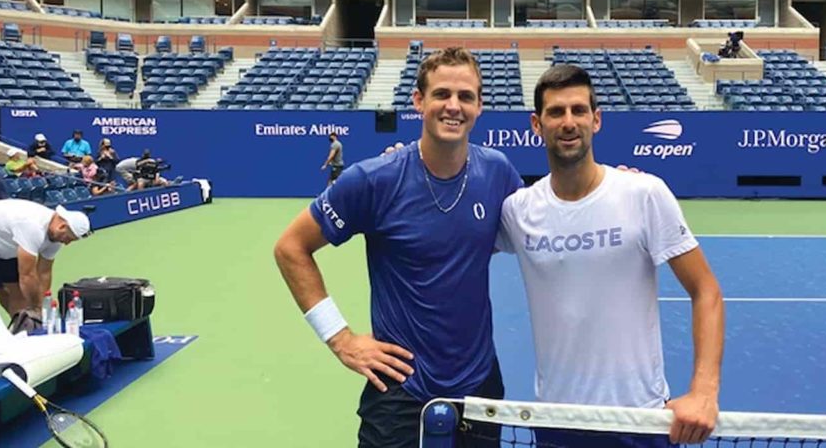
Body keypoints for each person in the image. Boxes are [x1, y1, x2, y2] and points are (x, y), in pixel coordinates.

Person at [274, 47, 522, 448]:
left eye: (466, 97)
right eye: (442, 94)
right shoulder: (374, 180)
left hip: (480, 383)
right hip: (400, 386)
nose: (453, 106)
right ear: (418, 101)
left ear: (480, 106)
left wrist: (616, 185)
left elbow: (547, 221)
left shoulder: (498, 172)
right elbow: (291, 248)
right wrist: (340, 338)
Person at [495, 65, 725, 446]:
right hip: (557, 423)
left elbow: (707, 291)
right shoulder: (517, 211)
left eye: (578, 110)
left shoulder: (644, 193)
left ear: (596, 120)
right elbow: (450, 235)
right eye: (556, 112)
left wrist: (704, 391)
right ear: (537, 124)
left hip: (639, 421)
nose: (568, 122)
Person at [0, 200, 91, 322]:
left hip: (5, 246)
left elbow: (44, 273)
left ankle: (23, 329)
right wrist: (37, 307)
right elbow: (27, 275)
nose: (67, 243)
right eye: (68, 238)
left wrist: (44, 304)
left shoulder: (56, 237)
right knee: (1, 291)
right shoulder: (33, 227)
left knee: (16, 292)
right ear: (62, 227)